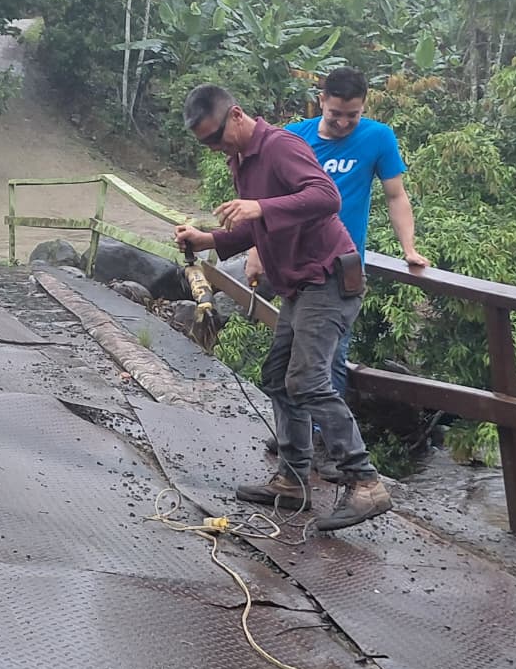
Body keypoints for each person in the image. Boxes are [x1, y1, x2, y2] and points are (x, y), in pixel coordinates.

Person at [174, 83, 392, 531]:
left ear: (237, 115)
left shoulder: (280, 146)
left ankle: (366, 482)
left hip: (329, 279)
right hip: (301, 285)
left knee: (307, 379)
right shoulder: (241, 159)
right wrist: (208, 239)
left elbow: (326, 197)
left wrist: (259, 206)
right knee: (278, 376)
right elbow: (259, 226)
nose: (214, 147)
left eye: (216, 136)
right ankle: (292, 480)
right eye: (205, 142)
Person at [247, 66, 428, 397]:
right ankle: (297, 429)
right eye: (335, 114)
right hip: (294, 266)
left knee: (328, 364)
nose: (343, 123)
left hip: (340, 269)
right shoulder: (292, 138)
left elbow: (396, 196)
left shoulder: (378, 137)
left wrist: (409, 248)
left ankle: (326, 430)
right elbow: (267, 202)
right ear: (321, 101)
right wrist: (256, 251)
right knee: (283, 365)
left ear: (364, 106)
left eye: (352, 115)